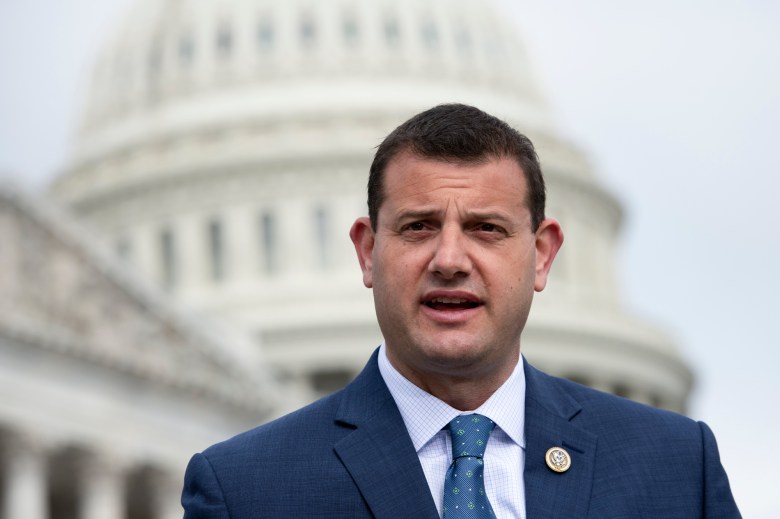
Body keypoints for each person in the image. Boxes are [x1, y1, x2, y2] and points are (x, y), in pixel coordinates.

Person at [182, 104, 740, 518]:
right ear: (368, 251)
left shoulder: (674, 469)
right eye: (419, 226)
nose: (449, 260)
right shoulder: (247, 490)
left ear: (542, 255)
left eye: (486, 229)